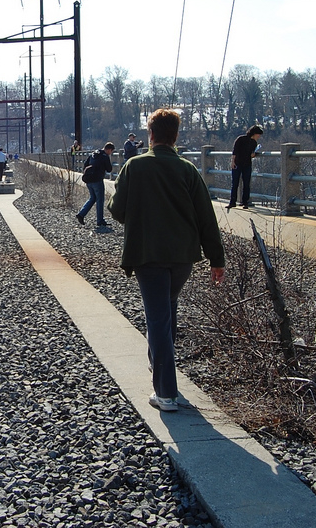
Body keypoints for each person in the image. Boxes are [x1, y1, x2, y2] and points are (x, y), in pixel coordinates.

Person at [107, 109, 225, 412]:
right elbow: (206, 218)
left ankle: (166, 393)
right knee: (168, 310)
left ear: (150, 134)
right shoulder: (188, 170)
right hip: (183, 257)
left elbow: (117, 210)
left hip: (149, 255)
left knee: (157, 318)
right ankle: (157, 366)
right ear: (175, 136)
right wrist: (217, 259)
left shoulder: (134, 166)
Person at [75, 142, 115, 227]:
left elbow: (85, 164)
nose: (110, 153)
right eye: (111, 151)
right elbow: (109, 169)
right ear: (109, 149)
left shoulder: (93, 153)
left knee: (92, 198)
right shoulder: (104, 156)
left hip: (89, 180)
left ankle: (81, 214)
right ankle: (100, 220)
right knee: (100, 200)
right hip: (97, 180)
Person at [228, 125, 264, 210]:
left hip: (247, 164)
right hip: (237, 163)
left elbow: (251, 154)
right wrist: (232, 162)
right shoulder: (241, 139)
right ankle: (232, 202)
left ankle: (245, 202)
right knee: (235, 183)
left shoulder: (254, 143)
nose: (259, 137)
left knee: (246, 184)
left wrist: (253, 154)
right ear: (254, 133)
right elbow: (235, 151)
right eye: (258, 134)